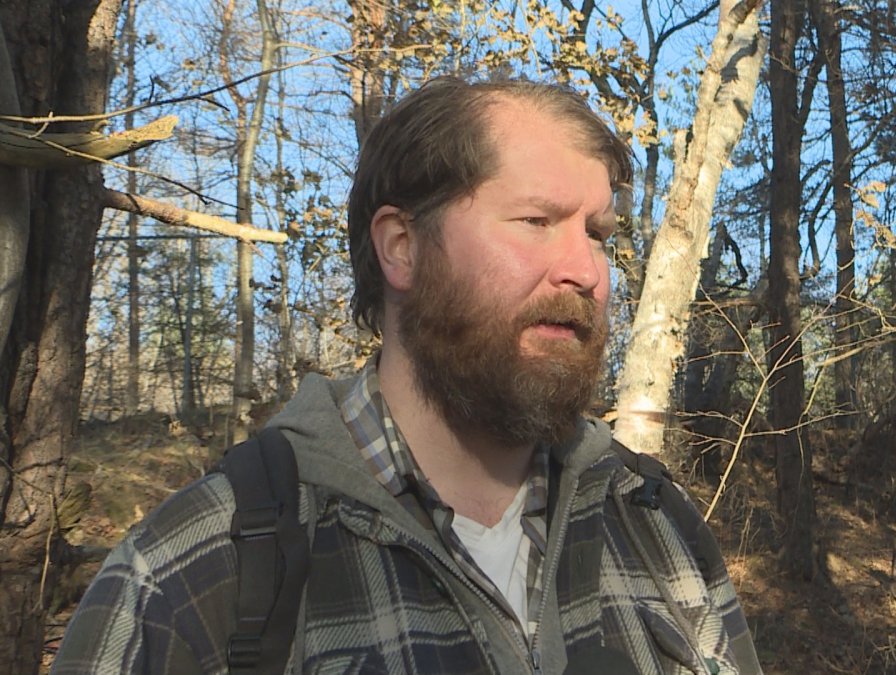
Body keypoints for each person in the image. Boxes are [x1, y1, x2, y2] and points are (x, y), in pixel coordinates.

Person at [53, 76, 761, 675]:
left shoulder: (656, 530)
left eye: (598, 234)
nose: (588, 270)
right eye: (537, 220)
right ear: (402, 248)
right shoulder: (193, 577)